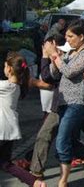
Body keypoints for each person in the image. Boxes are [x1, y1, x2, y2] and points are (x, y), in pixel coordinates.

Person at [48, 19, 84, 187]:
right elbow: (55, 75)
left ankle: (63, 181)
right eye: (66, 36)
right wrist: (55, 57)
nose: (68, 40)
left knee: (62, 141)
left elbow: (69, 72)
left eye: (71, 36)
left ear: (81, 36)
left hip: (77, 102)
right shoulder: (71, 53)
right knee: (69, 139)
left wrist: (56, 57)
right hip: (64, 102)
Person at [0, 52, 47, 187]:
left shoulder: (4, 86)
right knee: (5, 163)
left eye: (4, 66)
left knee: (5, 163)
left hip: (2, 129)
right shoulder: (17, 87)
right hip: (9, 130)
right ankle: (35, 182)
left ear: (9, 69)